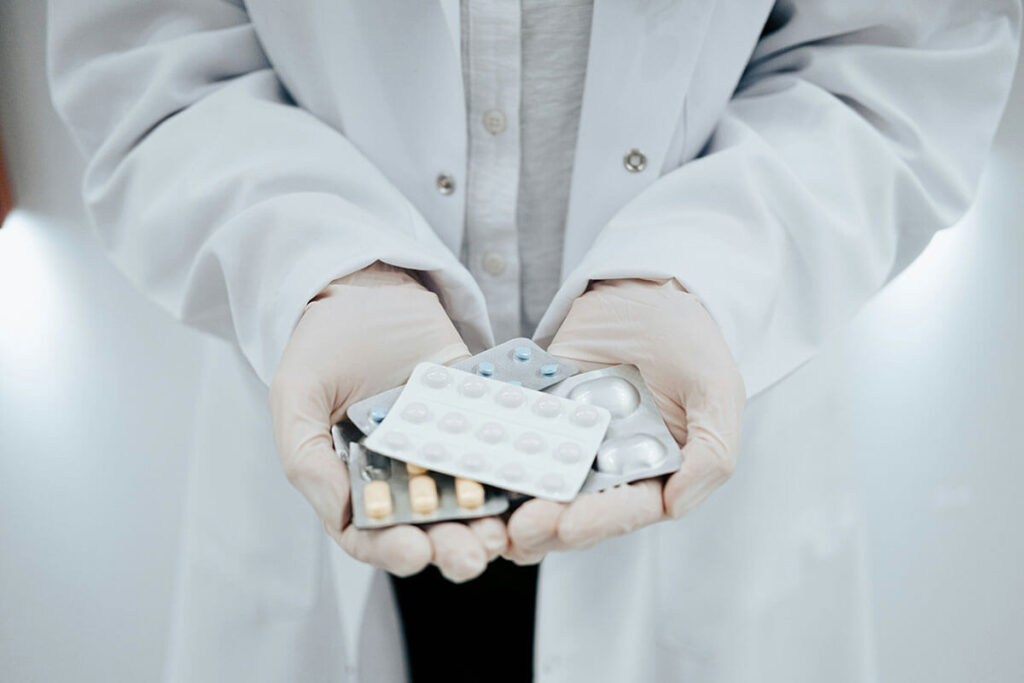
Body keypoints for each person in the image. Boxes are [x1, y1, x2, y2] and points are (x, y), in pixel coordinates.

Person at [48, 1, 1020, 681]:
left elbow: (901, 52)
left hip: (699, 384)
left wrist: (697, 271)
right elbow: (146, 53)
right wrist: (324, 267)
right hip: (335, 389)